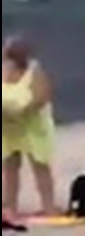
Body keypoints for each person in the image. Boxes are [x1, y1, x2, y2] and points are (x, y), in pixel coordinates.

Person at [1, 38, 57, 222]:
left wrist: (24, 110)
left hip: (33, 126)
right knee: (9, 168)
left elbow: (43, 96)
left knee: (40, 166)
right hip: (8, 127)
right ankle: (10, 207)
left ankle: (48, 207)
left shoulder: (34, 71)